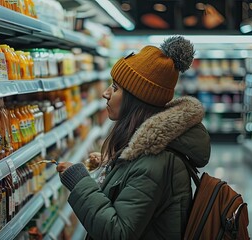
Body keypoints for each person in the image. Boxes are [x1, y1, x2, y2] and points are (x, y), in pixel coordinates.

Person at [56, 36, 211, 240]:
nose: (105, 93)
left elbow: (118, 233)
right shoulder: (150, 150)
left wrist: (79, 182)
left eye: (115, 88)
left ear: (137, 99)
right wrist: (113, 165)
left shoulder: (156, 160)